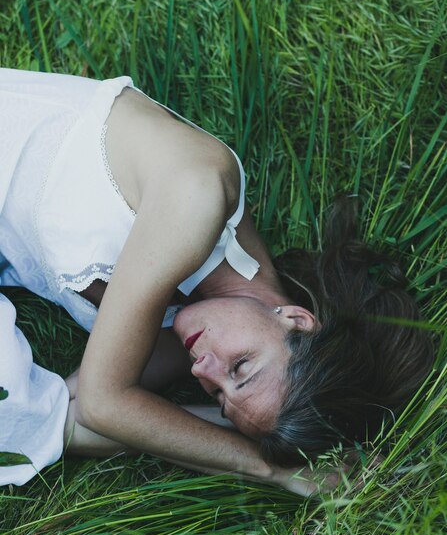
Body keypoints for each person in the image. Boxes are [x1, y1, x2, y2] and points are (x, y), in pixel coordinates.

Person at [0, 69, 433, 490]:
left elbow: (73, 412)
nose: (203, 372)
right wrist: (272, 471)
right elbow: (101, 405)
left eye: (218, 400)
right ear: (297, 320)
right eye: (240, 367)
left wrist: (276, 443)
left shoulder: (193, 326)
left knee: (17, 420)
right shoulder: (197, 198)